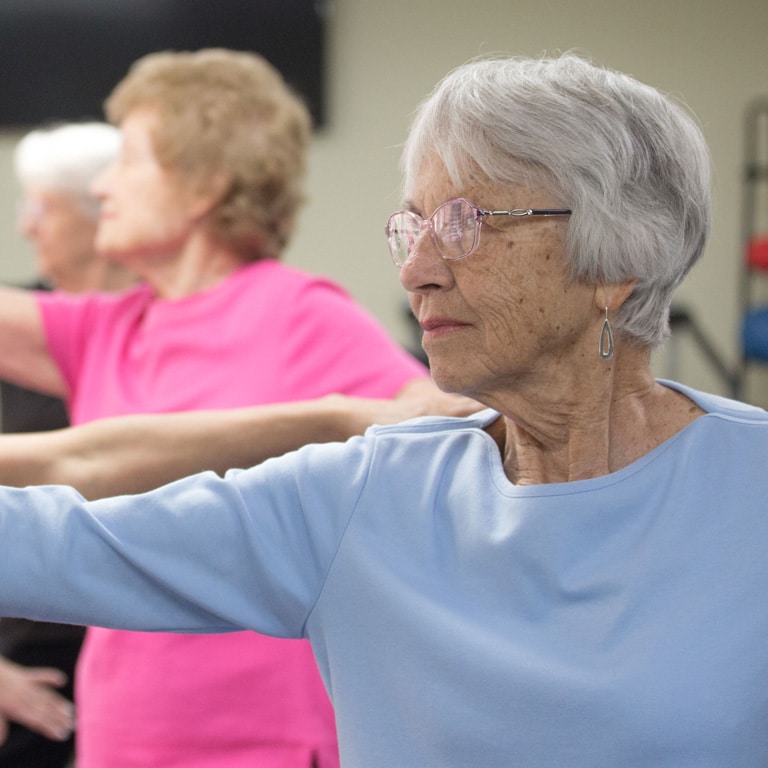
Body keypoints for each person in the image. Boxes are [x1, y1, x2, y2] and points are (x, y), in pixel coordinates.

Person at [0, 52, 763, 767]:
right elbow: (61, 543)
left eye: (467, 223)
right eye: (413, 229)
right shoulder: (368, 498)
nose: (418, 273)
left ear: (618, 260)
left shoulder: (748, 486)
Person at [0, 48, 459, 768]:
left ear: (204, 185)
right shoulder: (101, 329)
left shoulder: (297, 312)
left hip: (262, 740)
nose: (101, 185)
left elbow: (433, 416)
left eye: (127, 159)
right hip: (122, 735)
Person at [0, 121, 135, 768]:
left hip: (137, 649)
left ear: (98, 213)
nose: (26, 226)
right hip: (20, 656)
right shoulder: (15, 330)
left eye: (41, 206)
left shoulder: (161, 333)